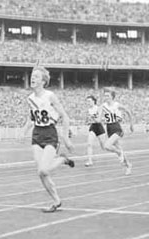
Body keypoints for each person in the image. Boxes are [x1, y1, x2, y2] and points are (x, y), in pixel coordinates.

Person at [22, 66, 75, 213]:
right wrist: (23, 132)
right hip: (37, 134)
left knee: (44, 169)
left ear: (43, 81)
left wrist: (65, 138)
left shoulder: (50, 96)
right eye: (32, 75)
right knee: (42, 173)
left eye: (37, 76)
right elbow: (31, 118)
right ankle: (56, 201)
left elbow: (65, 116)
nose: (32, 78)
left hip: (50, 134)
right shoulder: (30, 99)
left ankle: (63, 159)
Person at [99, 87, 133, 175]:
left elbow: (128, 111)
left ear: (112, 97)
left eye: (107, 95)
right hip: (109, 128)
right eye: (105, 95)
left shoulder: (117, 105)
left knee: (106, 146)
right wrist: (98, 120)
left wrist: (131, 124)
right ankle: (128, 165)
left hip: (116, 128)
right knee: (119, 149)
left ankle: (119, 153)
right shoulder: (103, 106)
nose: (105, 97)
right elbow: (98, 118)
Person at [84, 95, 106, 167]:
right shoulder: (88, 110)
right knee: (89, 144)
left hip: (99, 127)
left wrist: (93, 118)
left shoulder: (98, 108)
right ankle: (90, 161)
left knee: (104, 146)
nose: (88, 103)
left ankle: (118, 152)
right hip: (93, 127)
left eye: (89, 101)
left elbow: (99, 120)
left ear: (94, 101)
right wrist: (87, 121)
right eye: (87, 101)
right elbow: (87, 121)